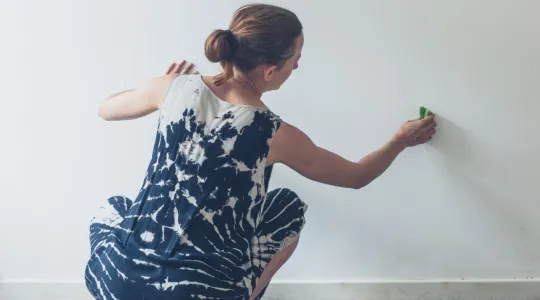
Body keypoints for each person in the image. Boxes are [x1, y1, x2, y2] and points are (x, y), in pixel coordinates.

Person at [85, 3, 436, 300]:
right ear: (270, 70)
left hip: (119, 281)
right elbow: (356, 177)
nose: (296, 66)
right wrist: (400, 140)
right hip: (200, 291)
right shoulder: (272, 132)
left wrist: (160, 86)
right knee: (288, 208)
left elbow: (104, 108)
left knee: (113, 207)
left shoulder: (172, 87)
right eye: (295, 60)